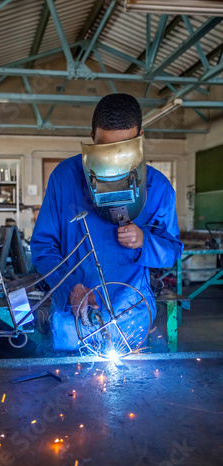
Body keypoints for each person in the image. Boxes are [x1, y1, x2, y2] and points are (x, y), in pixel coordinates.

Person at [30, 93, 184, 352]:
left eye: (123, 149)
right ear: (92, 137)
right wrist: (70, 289)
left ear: (140, 137)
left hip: (131, 313)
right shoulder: (64, 178)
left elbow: (171, 251)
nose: (114, 159)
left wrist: (145, 241)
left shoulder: (158, 187)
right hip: (74, 314)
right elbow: (43, 247)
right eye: (104, 149)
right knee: (67, 388)